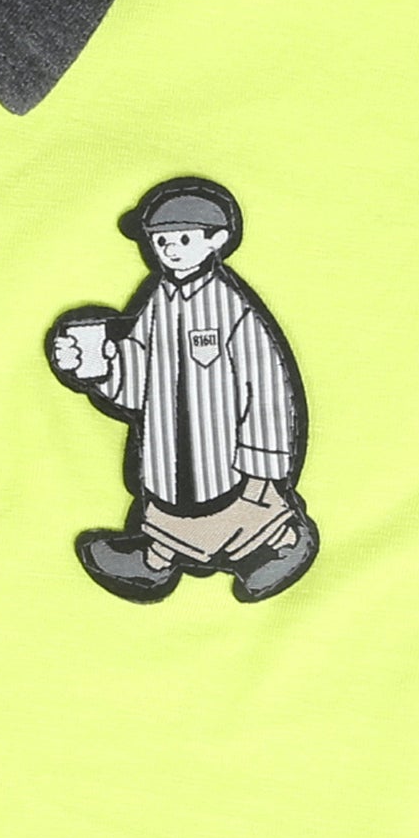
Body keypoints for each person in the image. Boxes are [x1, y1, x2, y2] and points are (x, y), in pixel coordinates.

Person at [47, 177, 320, 603]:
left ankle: (282, 545)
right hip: (167, 440)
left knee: (242, 507)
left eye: (184, 239)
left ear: (217, 240)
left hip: (225, 449)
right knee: (170, 501)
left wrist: (263, 463)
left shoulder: (232, 308)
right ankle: (155, 559)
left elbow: (264, 380)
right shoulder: (158, 301)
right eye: (161, 241)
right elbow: (139, 371)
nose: (170, 250)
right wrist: (99, 365)